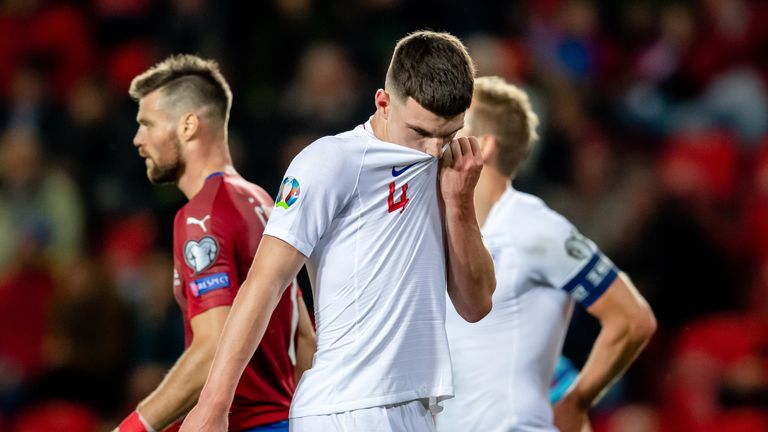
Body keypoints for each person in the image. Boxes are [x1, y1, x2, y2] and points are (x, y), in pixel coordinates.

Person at [180, 30, 496, 432]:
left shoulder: (452, 169)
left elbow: (476, 304)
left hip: (418, 409)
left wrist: (460, 202)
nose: (434, 150)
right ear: (383, 103)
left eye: (447, 134)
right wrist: (213, 405)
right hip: (346, 410)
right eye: (420, 133)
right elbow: (265, 282)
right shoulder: (332, 161)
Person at [436, 76, 657, 432]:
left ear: (485, 146)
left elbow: (632, 319)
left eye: (456, 124)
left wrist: (575, 402)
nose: (440, 134)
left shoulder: (533, 228)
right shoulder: (436, 231)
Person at [117, 54, 316, 432]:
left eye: (147, 124)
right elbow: (304, 338)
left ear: (189, 125)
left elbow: (212, 350)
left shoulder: (201, 216)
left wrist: (131, 428)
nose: (138, 139)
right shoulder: (263, 202)